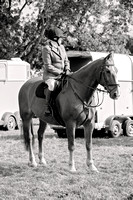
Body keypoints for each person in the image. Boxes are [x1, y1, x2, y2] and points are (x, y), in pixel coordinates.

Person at [42, 26, 71, 116]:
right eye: (61, 38)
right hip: (51, 76)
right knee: (51, 86)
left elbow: (66, 60)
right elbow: (48, 66)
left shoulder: (61, 47)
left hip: (64, 74)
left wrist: (67, 69)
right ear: (55, 38)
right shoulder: (46, 49)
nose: (62, 40)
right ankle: (48, 107)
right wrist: (60, 72)